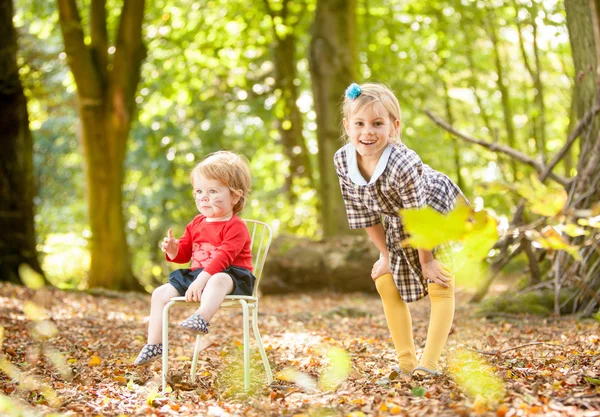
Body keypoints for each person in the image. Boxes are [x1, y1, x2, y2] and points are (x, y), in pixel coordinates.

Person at [334, 82, 468, 377]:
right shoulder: (343, 161)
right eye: (359, 123)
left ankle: (428, 364)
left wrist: (428, 261)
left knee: (440, 283)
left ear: (394, 127)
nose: (367, 132)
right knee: (385, 279)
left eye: (377, 124)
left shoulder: (402, 162)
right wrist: (385, 255)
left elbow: (418, 217)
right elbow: (363, 213)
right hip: (398, 220)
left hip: (435, 212)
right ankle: (406, 361)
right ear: (347, 125)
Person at [134, 151, 255, 366]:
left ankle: (202, 318)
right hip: (198, 275)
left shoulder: (236, 226)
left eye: (213, 191)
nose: (204, 197)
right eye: (199, 191)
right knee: (160, 293)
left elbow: (223, 258)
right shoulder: (197, 223)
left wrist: (202, 281)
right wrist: (173, 249)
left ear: (235, 196)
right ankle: (154, 345)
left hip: (232, 278)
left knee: (217, 278)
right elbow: (184, 255)